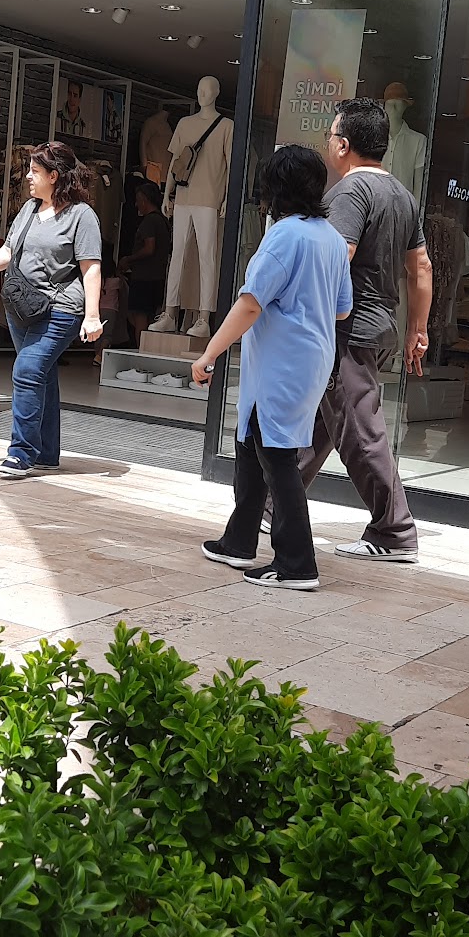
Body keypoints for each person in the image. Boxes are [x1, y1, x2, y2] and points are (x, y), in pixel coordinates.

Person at [192, 144, 352, 589]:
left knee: (277, 458)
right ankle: (239, 541)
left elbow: (250, 304)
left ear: (274, 189)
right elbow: (341, 309)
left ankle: (297, 564)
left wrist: (209, 354)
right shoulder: (331, 238)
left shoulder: (284, 235)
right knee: (251, 443)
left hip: (283, 362)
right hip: (309, 359)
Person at [301, 97, 433, 563]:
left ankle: (394, 531)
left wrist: (307, 317)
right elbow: (421, 267)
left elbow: (336, 257)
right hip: (379, 326)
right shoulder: (402, 195)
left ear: (342, 145)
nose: (328, 145)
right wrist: (418, 329)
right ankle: (274, 502)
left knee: (360, 431)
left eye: (330, 136)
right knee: (322, 422)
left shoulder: (349, 192)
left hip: (349, 329)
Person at [0, 142, 102, 477]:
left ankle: (20, 453)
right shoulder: (29, 209)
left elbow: (91, 268)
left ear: (54, 176)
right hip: (22, 306)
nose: (28, 177)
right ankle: (46, 453)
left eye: (35, 171)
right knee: (41, 375)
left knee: (27, 370)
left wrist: (92, 316)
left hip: (60, 309)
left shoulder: (81, 216)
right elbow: (9, 251)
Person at [118, 180, 170, 344]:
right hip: (158, 276)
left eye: (138, 200)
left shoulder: (149, 221)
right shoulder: (163, 221)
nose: (136, 204)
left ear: (145, 200)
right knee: (151, 316)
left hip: (144, 277)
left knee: (139, 315)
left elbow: (149, 248)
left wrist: (129, 259)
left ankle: (141, 349)